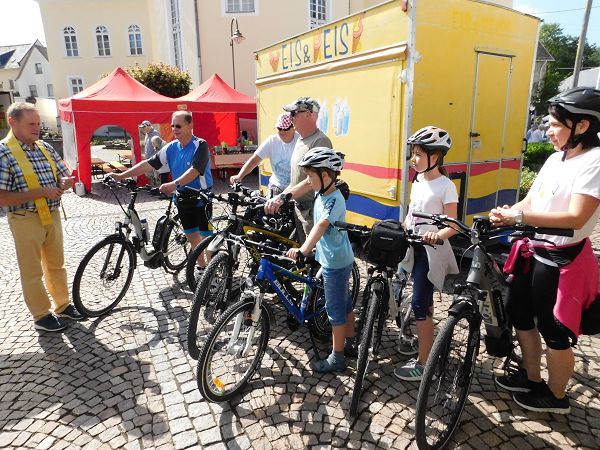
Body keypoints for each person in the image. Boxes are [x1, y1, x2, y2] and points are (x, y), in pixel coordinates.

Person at [490, 87, 600, 415]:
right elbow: (532, 200)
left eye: (555, 124)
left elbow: (576, 217)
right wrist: (510, 211)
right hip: (535, 251)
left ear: (581, 127)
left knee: (554, 330)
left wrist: (521, 216)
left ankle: (556, 396)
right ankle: (533, 377)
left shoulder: (594, 161)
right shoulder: (555, 158)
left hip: (562, 260)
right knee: (520, 314)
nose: (548, 130)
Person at [0, 102, 84, 332]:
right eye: (31, 124)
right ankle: (40, 315)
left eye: (38, 123)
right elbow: (2, 197)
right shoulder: (3, 152)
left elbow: (63, 175)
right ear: (13, 122)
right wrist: (40, 192)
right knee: (32, 270)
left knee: (57, 264)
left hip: (52, 214)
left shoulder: (45, 146)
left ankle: (63, 305)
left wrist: (64, 183)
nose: (37, 128)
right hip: (25, 217)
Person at [392, 126, 459, 381]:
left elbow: (452, 224)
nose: (414, 159)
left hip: (431, 251)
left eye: (419, 154)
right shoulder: (418, 179)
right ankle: (420, 343)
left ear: (436, 157)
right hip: (412, 245)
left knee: (421, 302)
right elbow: (412, 212)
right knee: (401, 291)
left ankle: (425, 363)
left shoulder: (446, 186)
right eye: (413, 153)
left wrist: (436, 235)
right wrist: (404, 228)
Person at [286, 147, 355, 373]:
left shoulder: (333, 200)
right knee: (345, 304)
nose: (308, 180)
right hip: (333, 256)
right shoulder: (323, 192)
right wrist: (284, 196)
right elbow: (306, 187)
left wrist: (303, 249)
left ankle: (338, 357)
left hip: (335, 262)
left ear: (326, 176)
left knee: (334, 310)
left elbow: (321, 225)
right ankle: (351, 340)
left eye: (311, 176)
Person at [109, 111, 213, 253]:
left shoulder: (200, 145)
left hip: (202, 198)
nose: (174, 129)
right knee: (191, 236)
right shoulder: (171, 147)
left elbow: (195, 171)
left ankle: (211, 273)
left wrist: (173, 184)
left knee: (206, 239)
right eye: (172, 126)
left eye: (178, 126)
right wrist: (121, 175)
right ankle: (201, 268)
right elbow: (148, 164)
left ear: (190, 125)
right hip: (183, 198)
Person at [265, 96, 332, 242]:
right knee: (302, 252)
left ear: (309, 114)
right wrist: (280, 196)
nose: (290, 117)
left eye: (294, 113)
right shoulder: (301, 140)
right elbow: (296, 180)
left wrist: (283, 198)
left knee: (315, 255)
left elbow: (312, 181)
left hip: (313, 210)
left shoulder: (320, 141)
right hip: (299, 208)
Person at [230, 113, 299, 197]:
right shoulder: (272, 141)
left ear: (294, 128)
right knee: (268, 206)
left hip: (296, 186)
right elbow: (254, 160)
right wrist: (239, 176)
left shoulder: (301, 142)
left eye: (286, 128)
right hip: (276, 185)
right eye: (279, 128)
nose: (282, 132)